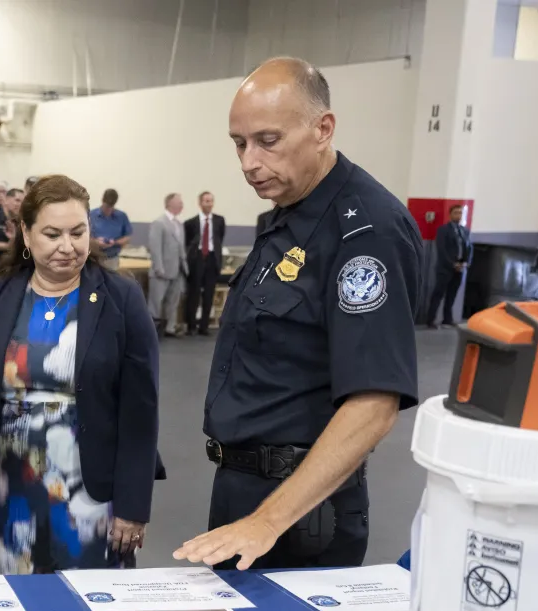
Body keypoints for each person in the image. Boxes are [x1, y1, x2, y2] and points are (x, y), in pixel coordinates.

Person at [174, 56, 421, 572]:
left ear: (322, 129)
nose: (247, 162)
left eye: (267, 141)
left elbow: (374, 403)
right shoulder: (288, 216)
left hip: (301, 516)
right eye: (239, 143)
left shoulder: (364, 231)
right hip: (246, 495)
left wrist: (268, 521)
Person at [0, 174, 160, 574]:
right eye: (52, 234)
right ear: (26, 236)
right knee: (16, 608)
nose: (67, 247)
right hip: (11, 491)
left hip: (91, 496)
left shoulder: (121, 297)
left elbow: (141, 410)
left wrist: (133, 508)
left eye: (78, 232)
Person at [184, 190, 226, 336]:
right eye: (206, 201)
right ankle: (190, 325)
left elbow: (219, 238)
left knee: (209, 294)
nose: (209, 204)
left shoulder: (219, 221)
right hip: (197, 260)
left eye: (211, 201)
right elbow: (187, 242)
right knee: (194, 293)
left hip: (212, 259)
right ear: (200, 203)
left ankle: (204, 326)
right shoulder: (190, 223)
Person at [426, 204, 473, 329]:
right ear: (450, 214)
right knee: (438, 294)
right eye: (456, 213)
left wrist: (465, 262)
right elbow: (441, 249)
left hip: (460, 269)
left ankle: (447, 319)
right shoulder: (443, 230)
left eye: (460, 213)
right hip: (445, 268)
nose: (459, 215)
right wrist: (452, 264)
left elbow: (469, 247)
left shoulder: (464, 231)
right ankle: (431, 319)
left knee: (452, 295)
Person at [147, 192, 187, 338]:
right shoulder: (159, 222)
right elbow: (155, 247)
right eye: (179, 202)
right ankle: (152, 329)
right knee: (156, 302)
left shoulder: (179, 224)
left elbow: (181, 248)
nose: (182, 205)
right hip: (161, 270)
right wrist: (158, 267)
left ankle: (170, 328)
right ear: (169, 204)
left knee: (173, 301)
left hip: (177, 270)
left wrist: (184, 266)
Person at [89, 189, 132, 270]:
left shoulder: (122, 217)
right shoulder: (91, 215)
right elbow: (84, 237)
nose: (108, 210)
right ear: (102, 201)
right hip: (94, 259)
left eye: (111, 207)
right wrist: (95, 242)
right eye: (106, 207)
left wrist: (114, 242)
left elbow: (127, 238)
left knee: (111, 282)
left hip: (112, 259)